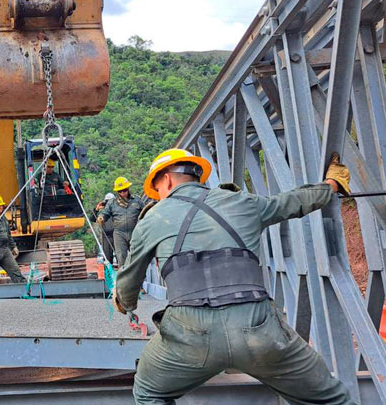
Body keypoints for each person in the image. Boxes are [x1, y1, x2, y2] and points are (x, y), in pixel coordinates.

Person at [113, 148, 354, 404]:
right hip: (259, 331)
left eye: (157, 189)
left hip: (189, 337)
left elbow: (129, 283)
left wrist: (124, 303)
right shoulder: (243, 202)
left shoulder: (152, 220)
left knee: (148, 392)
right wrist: (331, 185)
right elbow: (293, 202)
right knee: (330, 399)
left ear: (167, 179)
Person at [97, 177, 145, 267]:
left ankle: (139, 278)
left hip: (134, 232)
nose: (123, 193)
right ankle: (124, 277)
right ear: (117, 192)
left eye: (124, 190)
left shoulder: (137, 200)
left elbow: (146, 212)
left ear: (128, 189)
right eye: (120, 191)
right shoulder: (112, 203)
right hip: (119, 233)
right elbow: (105, 213)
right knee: (121, 258)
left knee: (137, 258)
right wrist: (101, 217)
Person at [90, 193, 115, 264]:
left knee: (121, 256)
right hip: (106, 237)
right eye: (107, 201)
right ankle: (108, 273)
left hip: (117, 234)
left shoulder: (118, 208)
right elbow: (92, 219)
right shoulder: (102, 211)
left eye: (111, 201)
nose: (109, 203)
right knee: (107, 258)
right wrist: (96, 209)